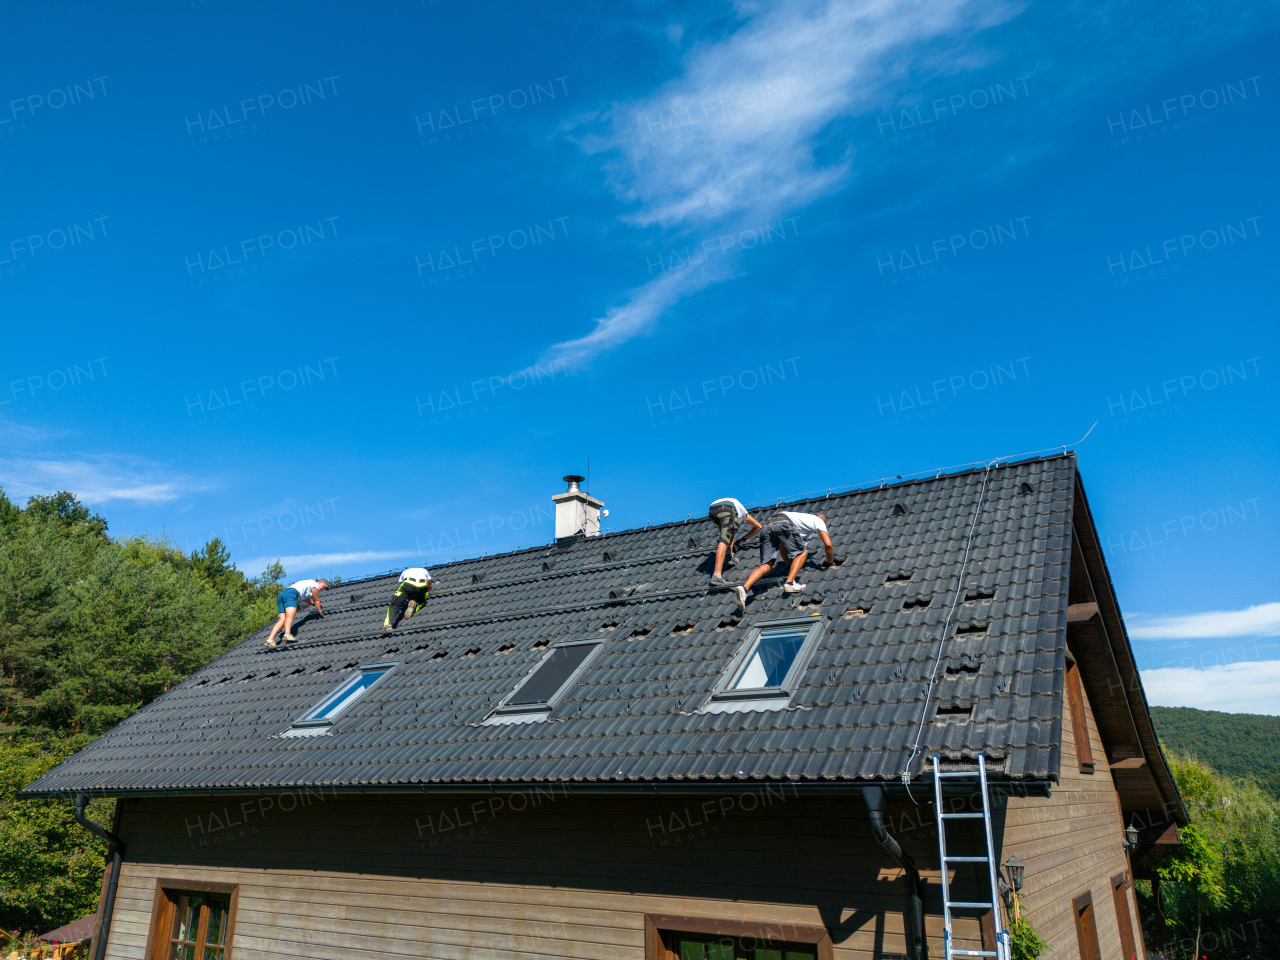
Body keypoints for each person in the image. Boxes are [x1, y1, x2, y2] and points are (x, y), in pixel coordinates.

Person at [734, 511, 834, 610]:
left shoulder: (801, 519)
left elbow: (782, 545)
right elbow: (828, 545)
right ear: (823, 522)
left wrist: (789, 564)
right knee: (802, 553)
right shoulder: (818, 520)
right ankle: (790, 583)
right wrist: (829, 562)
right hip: (783, 523)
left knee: (767, 565)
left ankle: (744, 588)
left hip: (768, 525)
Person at [707, 497, 763, 587]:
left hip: (712, 510)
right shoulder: (744, 514)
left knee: (726, 533)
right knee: (724, 539)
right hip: (727, 508)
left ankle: (728, 555)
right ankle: (716, 576)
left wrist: (730, 553)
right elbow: (758, 526)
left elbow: (731, 532)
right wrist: (743, 540)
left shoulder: (736, 513)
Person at [265, 578, 329, 647]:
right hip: (291, 594)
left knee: (282, 619)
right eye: (324, 587)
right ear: (320, 582)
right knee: (290, 615)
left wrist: (313, 604)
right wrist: (320, 612)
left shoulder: (308, 584)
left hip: (282, 594)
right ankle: (287, 635)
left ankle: (270, 640)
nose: (323, 589)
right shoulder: (314, 586)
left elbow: (306, 600)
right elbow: (316, 600)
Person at [383, 567, 434, 633]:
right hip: (422, 585)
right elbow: (430, 586)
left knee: (395, 604)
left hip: (408, 584)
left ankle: (388, 625)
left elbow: (402, 585)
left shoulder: (405, 572)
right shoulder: (424, 570)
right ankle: (416, 603)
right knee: (422, 600)